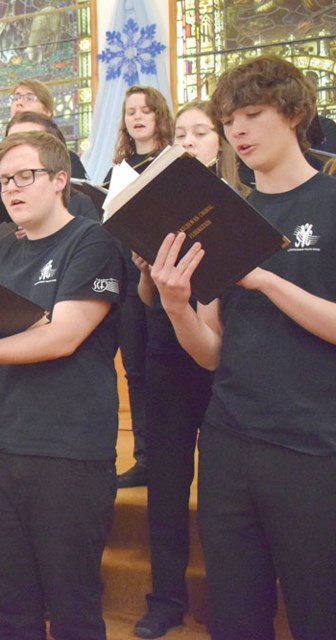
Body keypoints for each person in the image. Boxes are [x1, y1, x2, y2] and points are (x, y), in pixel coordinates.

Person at [150, 54, 336, 640]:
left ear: (295, 113)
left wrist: (265, 278)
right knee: (234, 614)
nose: (238, 131)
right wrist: (177, 304)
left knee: (318, 610)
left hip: (313, 445)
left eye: (252, 115)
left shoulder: (328, 203)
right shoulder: (232, 213)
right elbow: (210, 352)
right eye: (230, 120)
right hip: (230, 437)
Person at [0, 131, 124, 639]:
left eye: (25, 176)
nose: (11, 189)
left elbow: (64, 336)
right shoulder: (6, 252)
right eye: (4, 181)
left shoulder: (93, 240)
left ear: (60, 181)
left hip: (67, 452)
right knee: (13, 612)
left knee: (74, 609)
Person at [129, 100, 226, 639]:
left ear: (220, 144)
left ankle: (223, 593)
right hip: (166, 356)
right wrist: (148, 271)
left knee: (219, 491)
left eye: (201, 132)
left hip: (220, 367)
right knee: (166, 485)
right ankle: (164, 599)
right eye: (182, 134)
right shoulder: (161, 208)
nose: (189, 141)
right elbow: (147, 299)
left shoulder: (236, 206)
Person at [106, 86, 174, 489]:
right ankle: (145, 456)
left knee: (165, 368)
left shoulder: (174, 160)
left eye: (145, 110)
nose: (137, 117)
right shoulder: (118, 170)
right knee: (135, 372)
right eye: (130, 111)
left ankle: (168, 453)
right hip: (127, 283)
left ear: (159, 115)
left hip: (166, 282)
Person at [9, 79, 88, 179]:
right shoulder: (1, 160)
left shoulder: (66, 159)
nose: (19, 102)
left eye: (29, 98)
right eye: (15, 98)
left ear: (47, 111)